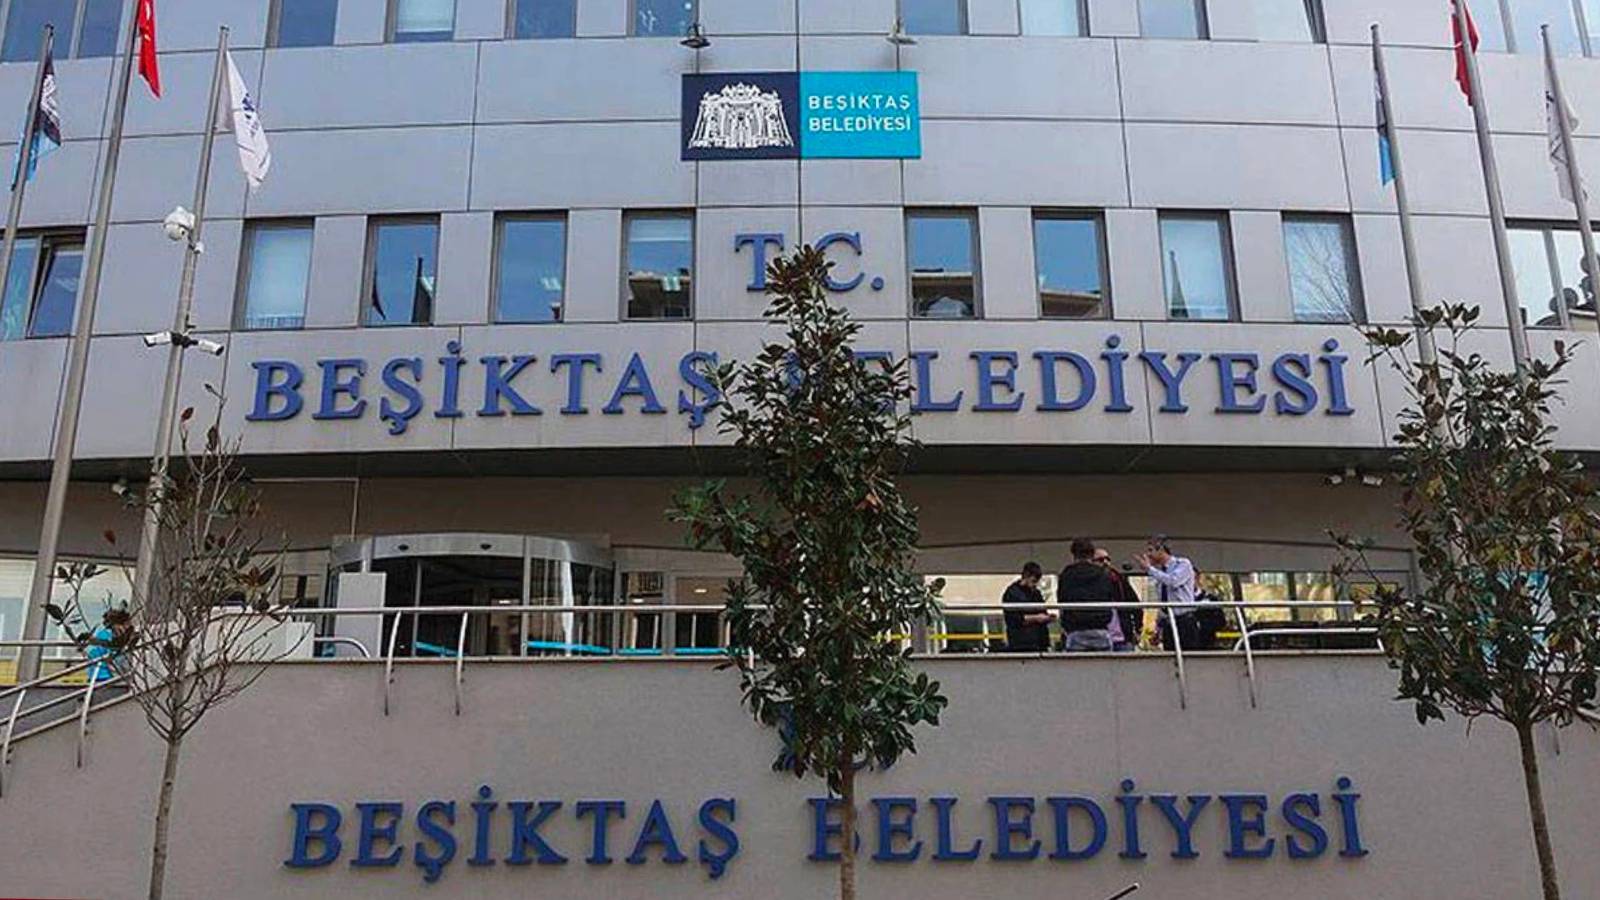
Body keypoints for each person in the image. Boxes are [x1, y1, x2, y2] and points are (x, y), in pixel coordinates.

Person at [1136, 535, 1200, 653]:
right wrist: (1158, 628)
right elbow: (1163, 601)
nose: (1148, 555)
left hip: (1184, 621)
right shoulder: (1160, 573)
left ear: (1161, 549)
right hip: (1168, 622)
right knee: (1170, 656)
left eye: (1151, 550)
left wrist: (1150, 569)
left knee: (1189, 656)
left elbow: (1173, 581)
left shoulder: (1183, 564)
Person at [1057, 539, 1118, 652]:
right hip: (1101, 630)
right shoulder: (1103, 574)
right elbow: (1109, 597)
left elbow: (1062, 600)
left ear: (1074, 554)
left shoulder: (1067, 575)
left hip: (1076, 630)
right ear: (1092, 554)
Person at [1094, 547, 1142, 651]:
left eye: (1108, 559)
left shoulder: (1119, 580)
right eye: (1100, 560)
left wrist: (1137, 629)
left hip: (1123, 638)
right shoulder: (1089, 584)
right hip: (1098, 639)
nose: (1105, 562)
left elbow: (1136, 605)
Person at [1001, 562, 1053, 652]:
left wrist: (1047, 618)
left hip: (1038, 642)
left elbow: (1042, 610)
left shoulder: (1036, 593)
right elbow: (1014, 619)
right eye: (1033, 581)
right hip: (1021, 642)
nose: (1035, 585)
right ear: (1026, 576)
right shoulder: (1012, 593)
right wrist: (1036, 618)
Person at [86, 607, 133, 683]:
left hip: (95, 674)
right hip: (105, 675)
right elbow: (113, 656)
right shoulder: (109, 635)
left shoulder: (101, 634)